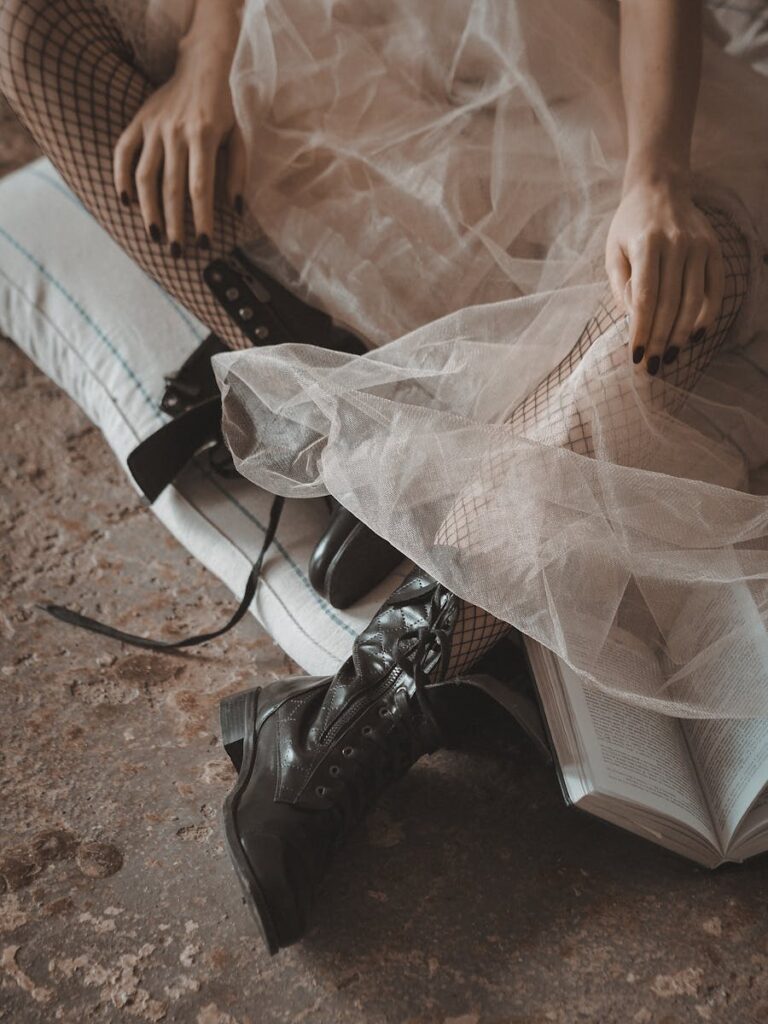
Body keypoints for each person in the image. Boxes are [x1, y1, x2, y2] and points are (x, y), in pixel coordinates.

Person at [2, 0, 767, 954]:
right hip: (337, 59)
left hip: (579, 99)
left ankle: (339, 720)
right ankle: (341, 408)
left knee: (703, 268)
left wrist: (655, 176)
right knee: (31, 23)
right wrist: (207, 56)